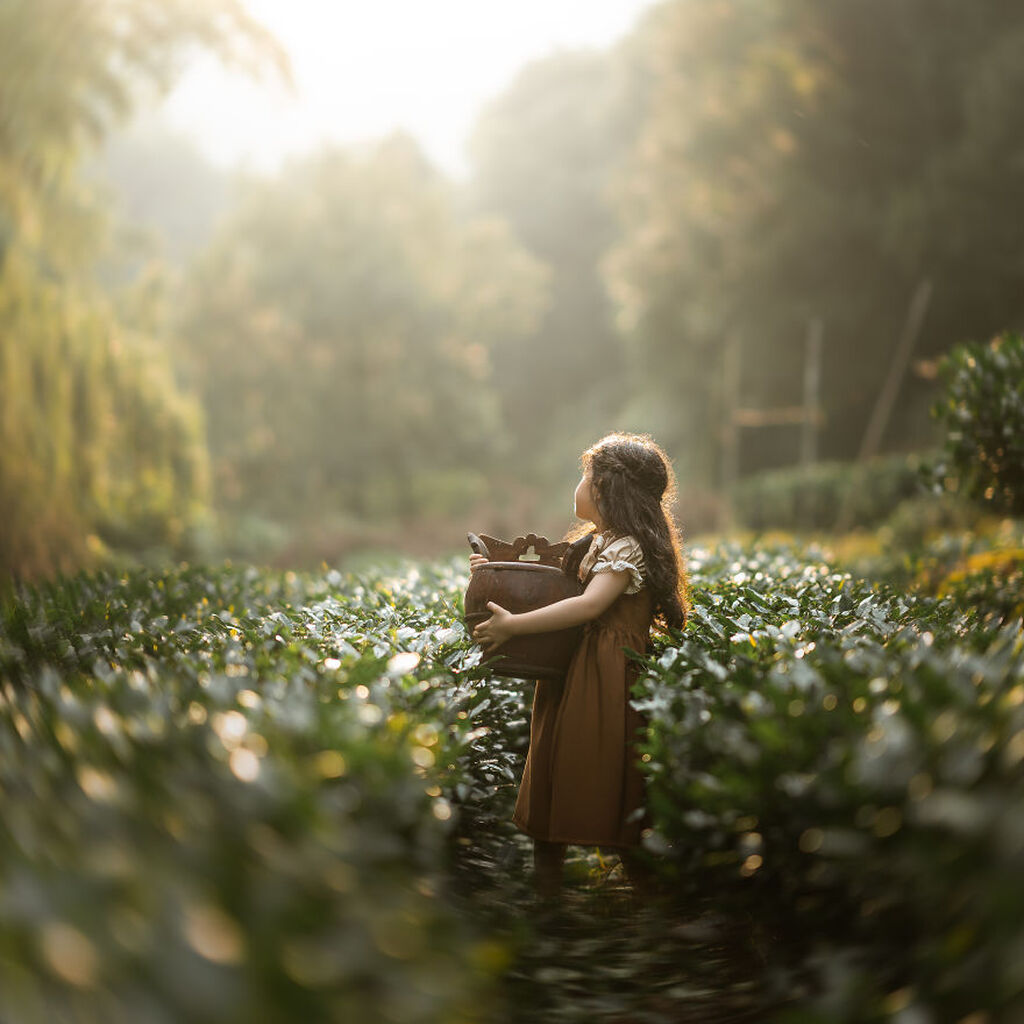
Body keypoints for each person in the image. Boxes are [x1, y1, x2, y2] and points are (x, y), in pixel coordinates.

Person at [470, 431, 690, 905]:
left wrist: (515, 627)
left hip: (606, 674)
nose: (580, 484)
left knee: (605, 775)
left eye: (585, 475)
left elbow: (589, 606)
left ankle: (654, 903)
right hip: (575, 668)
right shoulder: (600, 542)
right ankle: (549, 904)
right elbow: (551, 591)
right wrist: (491, 571)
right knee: (551, 766)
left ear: (608, 487)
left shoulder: (627, 548)